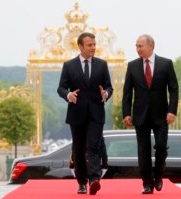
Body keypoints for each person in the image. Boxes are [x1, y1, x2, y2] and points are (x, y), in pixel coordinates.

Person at [122, 34, 179, 194]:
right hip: (140, 115)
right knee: (143, 150)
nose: (137, 49)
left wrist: (172, 111)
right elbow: (127, 92)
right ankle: (147, 183)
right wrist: (126, 113)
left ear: (151, 46)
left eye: (140, 46)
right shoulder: (132, 66)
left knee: (160, 146)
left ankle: (158, 175)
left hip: (161, 115)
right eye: (136, 46)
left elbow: (174, 89)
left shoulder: (165, 64)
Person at [57, 32, 113, 195]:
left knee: (93, 146)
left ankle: (94, 179)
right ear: (80, 46)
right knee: (79, 149)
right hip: (76, 113)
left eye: (94, 45)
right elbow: (61, 88)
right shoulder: (69, 65)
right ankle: (81, 182)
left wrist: (106, 94)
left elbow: (109, 86)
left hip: (96, 113)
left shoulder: (102, 65)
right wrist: (68, 95)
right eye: (90, 45)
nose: (93, 48)